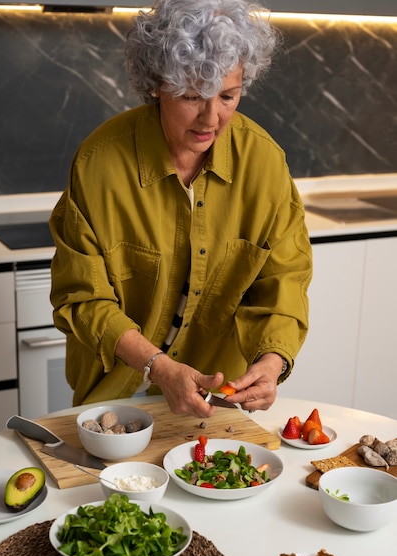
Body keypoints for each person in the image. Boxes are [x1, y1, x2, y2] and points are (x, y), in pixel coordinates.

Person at [50, 0, 312, 419]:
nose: (212, 118)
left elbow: (284, 278)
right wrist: (160, 367)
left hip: (216, 391)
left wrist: (271, 361)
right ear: (157, 84)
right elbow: (81, 296)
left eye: (229, 95)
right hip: (117, 386)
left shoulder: (265, 164)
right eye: (192, 96)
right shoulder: (98, 163)